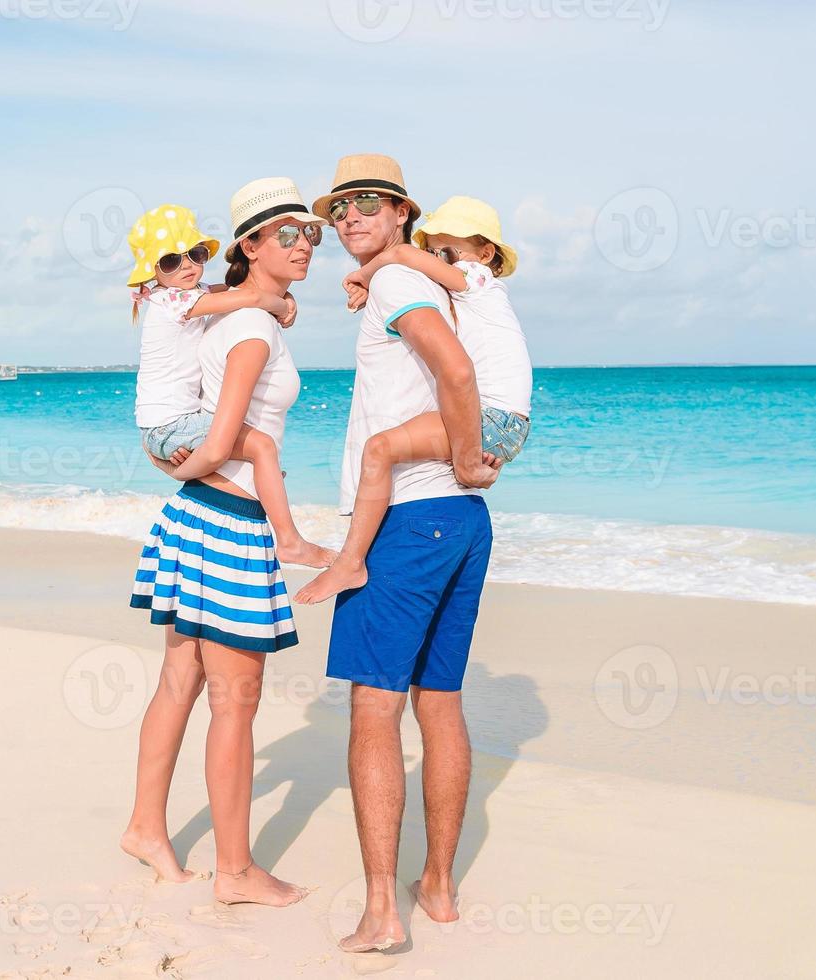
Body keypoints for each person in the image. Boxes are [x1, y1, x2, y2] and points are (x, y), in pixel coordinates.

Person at [312, 154, 499, 952]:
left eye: (366, 204)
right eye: (338, 210)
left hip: (410, 519)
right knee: (441, 703)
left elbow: (454, 371)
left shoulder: (396, 284)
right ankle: (441, 889)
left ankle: (384, 913)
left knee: (373, 708)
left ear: (399, 213)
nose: (349, 217)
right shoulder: (421, 280)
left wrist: (461, 451)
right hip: (460, 521)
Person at [124, 177, 324, 907]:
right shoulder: (246, 326)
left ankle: (147, 826)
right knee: (235, 701)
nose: (305, 245)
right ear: (252, 244)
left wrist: (180, 469)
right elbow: (222, 438)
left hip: (192, 514)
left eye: (313, 234)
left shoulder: (227, 318)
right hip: (228, 522)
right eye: (290, 234)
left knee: (181, 683)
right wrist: (197, 466)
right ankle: (235, 872)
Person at [296, 195, 531, 604]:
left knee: (380, 449)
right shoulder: (469, 296)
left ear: (485, 253)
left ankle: (350, 561)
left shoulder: (474, 278)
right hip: (504, 424)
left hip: (488, 420)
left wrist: (364, 275)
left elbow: (403, 254)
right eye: (434, 252)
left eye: (446, 252)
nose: (439, 262)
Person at [129, 203, 334, 568]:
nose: (189, 265)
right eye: (172, 261)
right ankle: (290, 541)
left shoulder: (193, 296)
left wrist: (283, 300)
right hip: (206, 486)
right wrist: (279, 303)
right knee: (262, 447)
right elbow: (251, 296)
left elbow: (233, 289)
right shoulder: (183, 302)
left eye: (195, 253)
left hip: (184, 473)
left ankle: (275, 501)